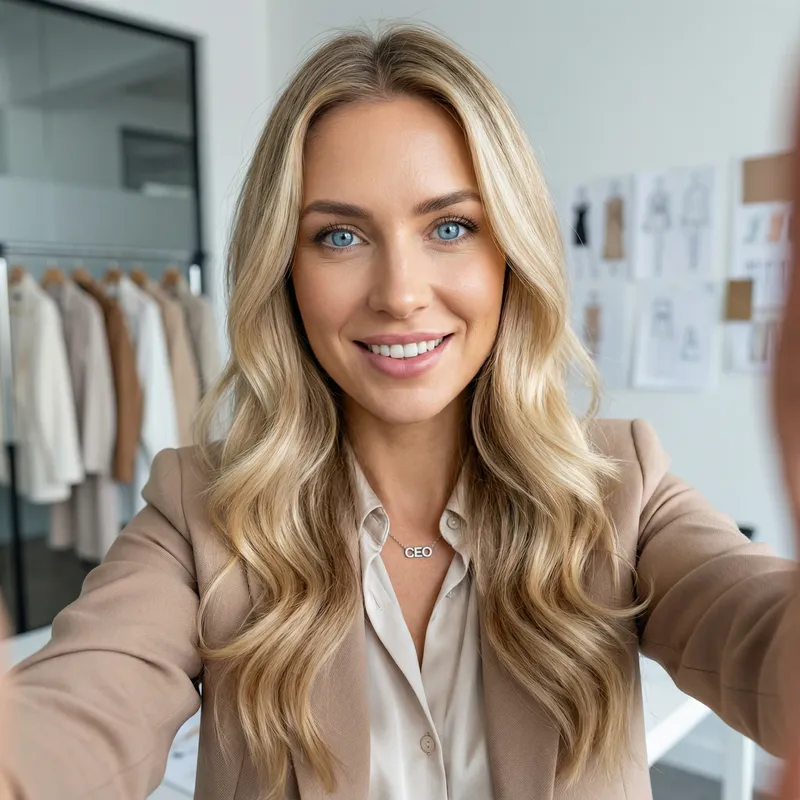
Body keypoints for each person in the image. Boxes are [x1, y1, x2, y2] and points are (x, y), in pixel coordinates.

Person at [0, 24, 799, 800]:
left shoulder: (623, 487)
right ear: (284, 270)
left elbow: (759, 625)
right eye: (340, 236)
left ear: (510, 255)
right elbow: (86, 705)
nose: (401, 293)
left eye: (450, 227)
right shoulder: (199, 512)